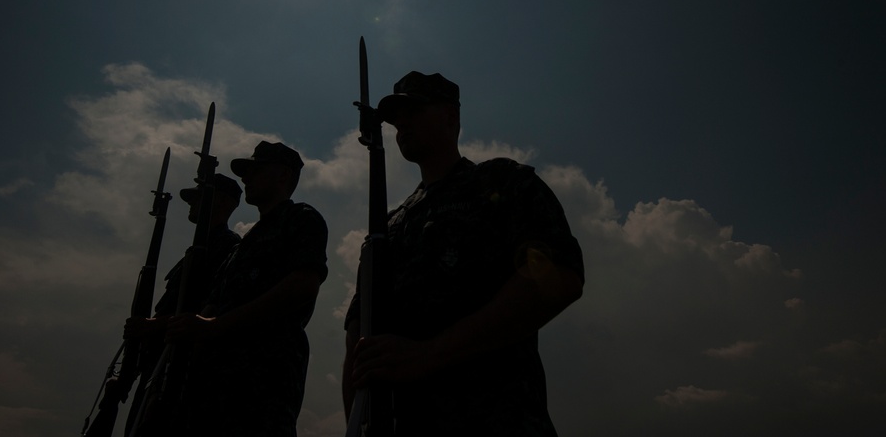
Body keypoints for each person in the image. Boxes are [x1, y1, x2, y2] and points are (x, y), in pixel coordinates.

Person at [343, 72, 585, 436]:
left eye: (414, 110)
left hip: (496, 420)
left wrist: (429, 354)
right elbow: (360, 340)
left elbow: (559, 276)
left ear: (450, 117)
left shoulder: (501, 183)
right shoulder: (387, 228)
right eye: (396, 119)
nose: (401, 124)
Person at [165, 140, 329, 437]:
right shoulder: (242, 247)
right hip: (213, 387)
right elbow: (211, 307)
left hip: (262, 380)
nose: (246, 178)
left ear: (282, 176)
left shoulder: (301, 219)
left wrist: (218, 326)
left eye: (256, 170)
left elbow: (303, 285)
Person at [121, 172, 243, 434]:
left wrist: (151, 326)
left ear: (222, 203)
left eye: (199, 198)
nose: (191, 204)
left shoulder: (228, 246)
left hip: (185, 370)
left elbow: (208, 309)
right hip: (161, 364)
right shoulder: (199, 249)